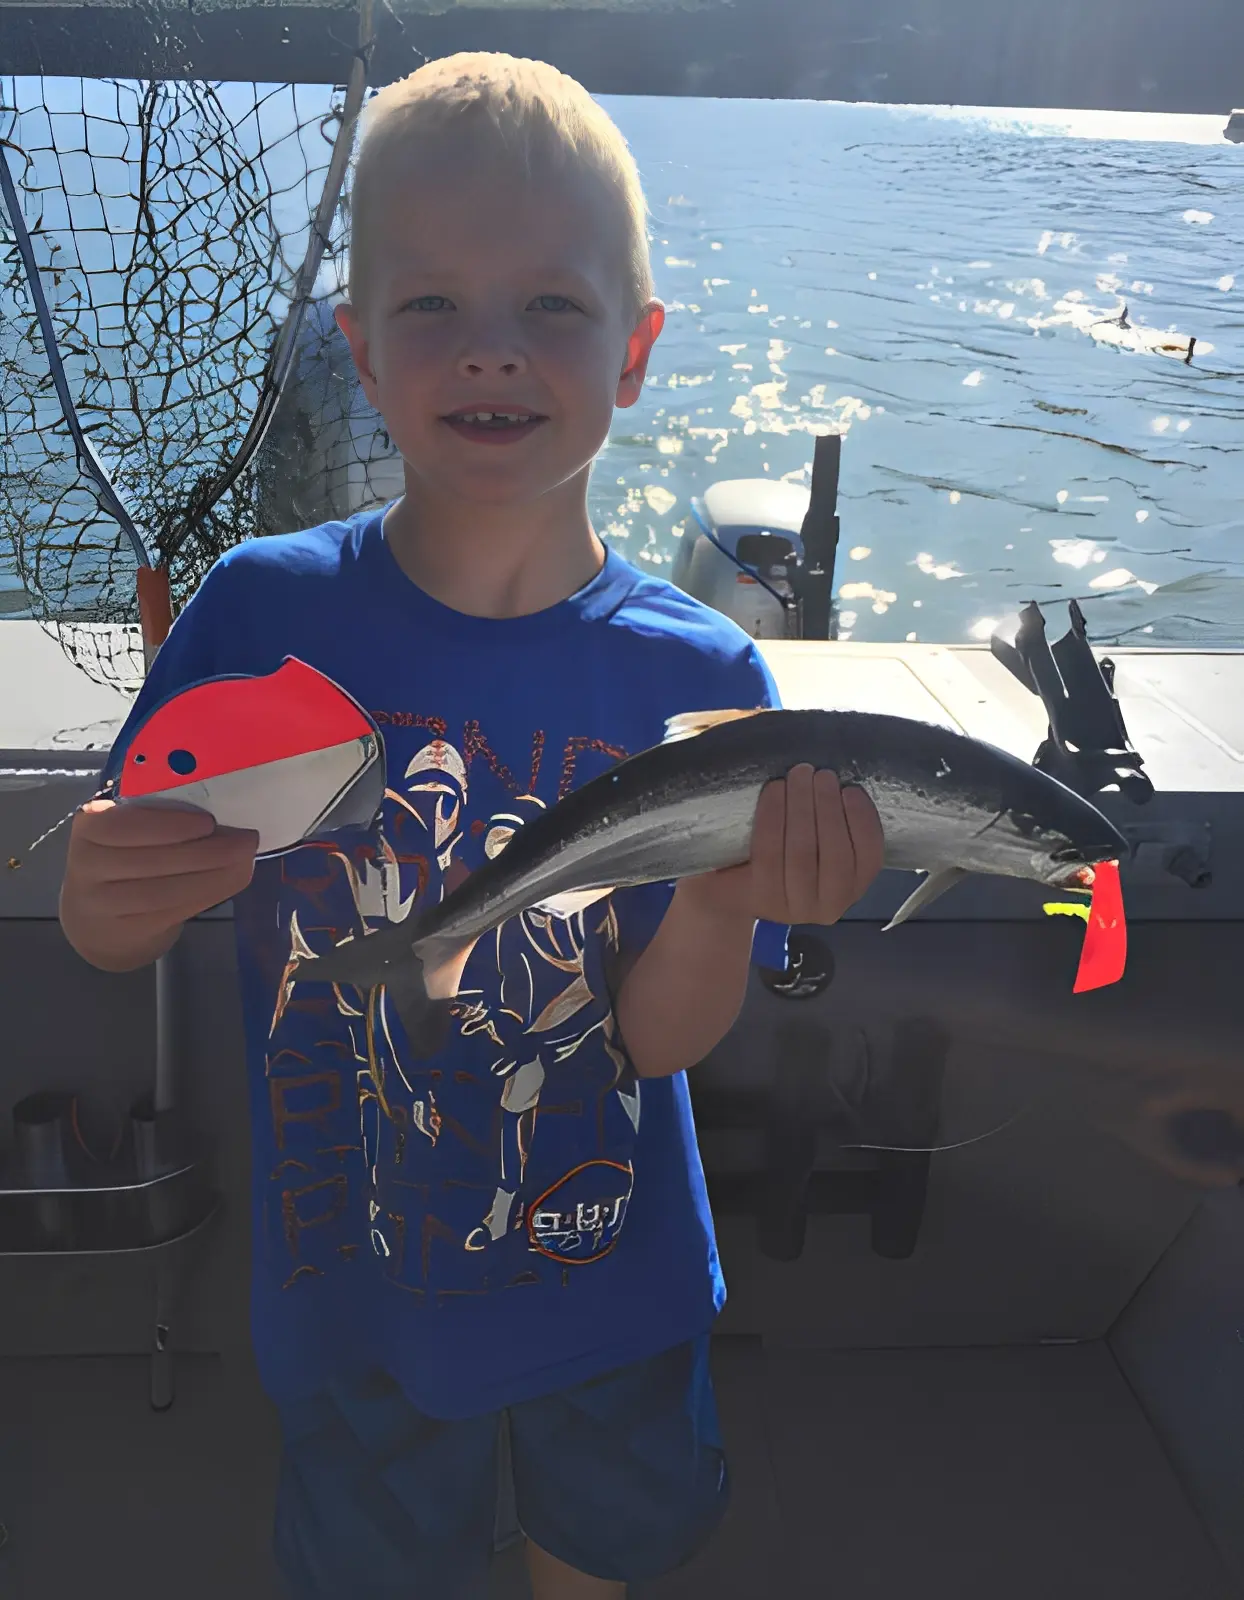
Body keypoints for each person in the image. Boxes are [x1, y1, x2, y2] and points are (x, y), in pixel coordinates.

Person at [59, 53, 884, 1600]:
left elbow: (656, 1042)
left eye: (550, 304)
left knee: (599, 1556)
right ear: (360, 349)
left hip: (611, 1268)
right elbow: (117, 919)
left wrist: (723, 901)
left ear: (634, 352)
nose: (490, 347)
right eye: (431, 302)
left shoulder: (704, 679)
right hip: (351, 1276)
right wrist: (104, 897)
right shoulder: (255, 615)